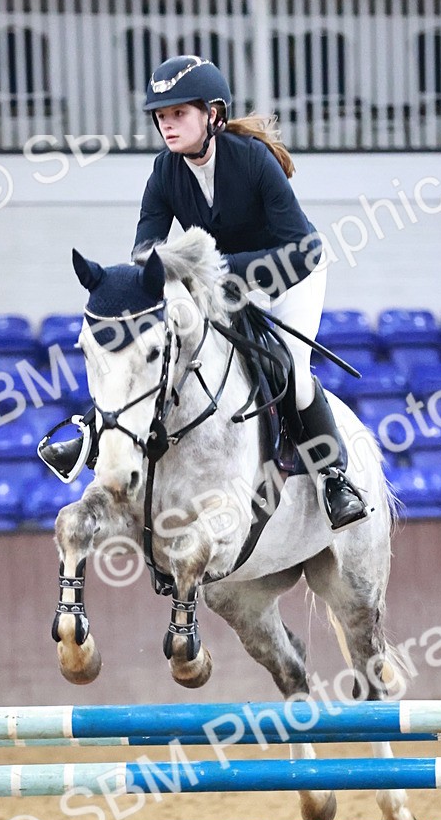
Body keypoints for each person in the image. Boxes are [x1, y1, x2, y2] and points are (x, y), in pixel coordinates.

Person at [41, 54, 367, 530]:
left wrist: (210, 268)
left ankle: (334, 478)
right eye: (161, 116)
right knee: (158, 345)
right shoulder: (164, 171)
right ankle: (92, 429)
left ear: (213, 115)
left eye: (178, 114)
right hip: (222, 283)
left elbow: (300, 249)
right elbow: (145, 251)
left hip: (290, 274)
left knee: (291, 369)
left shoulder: (252, 161)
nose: (167, 125)